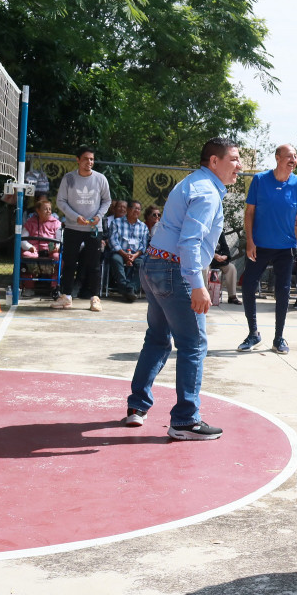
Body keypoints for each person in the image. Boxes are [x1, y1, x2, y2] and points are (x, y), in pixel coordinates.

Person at [124, 137, 242, 440]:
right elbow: (189, 242)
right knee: (193, 344)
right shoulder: (207, 193)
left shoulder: (192, 182)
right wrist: (197, 284)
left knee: (158, 338)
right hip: (175, 270)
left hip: (153, 264)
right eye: (234, 159)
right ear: (214, 162)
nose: (239, 166)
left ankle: (137, 406)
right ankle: (185, 420)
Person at [238, 144, 297, 354]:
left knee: (283, 292)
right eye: (289, 156)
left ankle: (279, 338)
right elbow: (249, 213)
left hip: (285, 248)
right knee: (249, 286)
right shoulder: (260, 180)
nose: (293, 160)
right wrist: (250, 241)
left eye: (295, 157)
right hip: (259, 246)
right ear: (278, 158)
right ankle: (253, 334)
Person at [53, 146, 111, 312]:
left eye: (92, 159)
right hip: (73, 226)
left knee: (94, 264)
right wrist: (75, 216)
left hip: (94, 228)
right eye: (86, 159)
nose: (89, 162)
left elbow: (107, 201)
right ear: (78, 160)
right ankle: (66, 296)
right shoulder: (68, 178)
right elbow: (61, 201)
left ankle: (95, 298)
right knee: (70, 262)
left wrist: (98, 216)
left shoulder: (101, 179)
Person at [20, 198, 63, 296]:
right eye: (45, 209)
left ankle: (54, 286)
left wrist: (57, 246)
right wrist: (29, 247)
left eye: (50, 209)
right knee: (26, 255)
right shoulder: (30, 222)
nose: (49, 211)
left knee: (58, 257)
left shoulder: (56, 223)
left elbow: (60, 238)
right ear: (38, 211)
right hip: (34, 249)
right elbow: (23, 239)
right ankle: (29, 287)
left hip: (50, 250)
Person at [109, 200, 149, 302]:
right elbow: (113, 241)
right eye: (134, 208)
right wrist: (124, 254)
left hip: (136, 254)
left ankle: (131, 288)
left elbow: (144, 245)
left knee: (143, 263)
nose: (137, 211)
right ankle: (124, 287)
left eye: (139, 209)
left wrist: (134, 256)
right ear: (128, 209)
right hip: (120, 252)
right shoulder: (116, 222)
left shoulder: (143, 227)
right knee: (115, 259)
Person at [209, 231, 241, 305]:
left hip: (219, 260)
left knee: (231, 268)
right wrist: (214, 255)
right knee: (204, 269)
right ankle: (205, 295)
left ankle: (232, 296)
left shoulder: (219, 232)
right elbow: (202, 248)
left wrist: (225, 256)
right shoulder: (205, 231)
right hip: (207, 259)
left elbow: (225, 248)